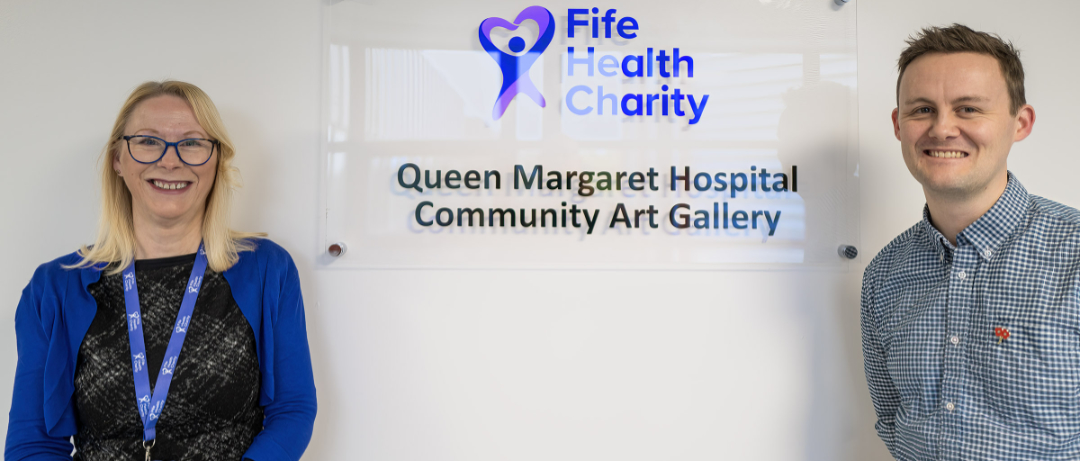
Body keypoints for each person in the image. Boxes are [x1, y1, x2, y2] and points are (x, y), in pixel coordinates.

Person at [5, 81, 317, 460]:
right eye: (149, 141)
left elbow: (292, 411)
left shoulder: (267, 269)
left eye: (192, 143)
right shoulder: (55, 287)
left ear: (216, 161)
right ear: (118, 159)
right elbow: (33, 443)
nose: (171, 160)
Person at [860, 24, 1080, 459]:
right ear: (898, 125)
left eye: (968, 109)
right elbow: (892, 421)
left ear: (1021, 123)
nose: (942, 129)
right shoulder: (883, 276)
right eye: (922, 109)